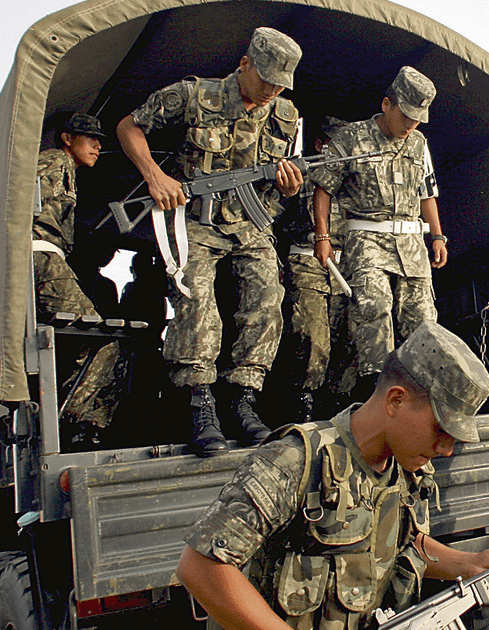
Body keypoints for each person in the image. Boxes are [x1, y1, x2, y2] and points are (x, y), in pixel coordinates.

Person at [176, 321, 489, 630]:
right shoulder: (299, 459)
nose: (446, 450)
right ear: (395, 400)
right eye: (440, 430)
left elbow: (403, 544)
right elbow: (200, 566)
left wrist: (470, 563)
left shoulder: (406, 470)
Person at [116, 27, 305, 455]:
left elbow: (280, 185)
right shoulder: (194, 95)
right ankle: (200, 404)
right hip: (197, 220)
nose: (272, 89)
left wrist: (288, 188)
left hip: (248, 221)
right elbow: (129, 126)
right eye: (266, 78)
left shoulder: (286, 116)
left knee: (267, 298)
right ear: (244, 64)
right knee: (195, 298)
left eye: (280, 83)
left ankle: (243, 400)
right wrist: (154, 175)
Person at [308, 66, 447, 401]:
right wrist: (322, 237)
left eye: (418, 119)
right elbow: (323, 189)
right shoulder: (350, 138)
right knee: (375, 309)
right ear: (387, 104)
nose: (411, 124)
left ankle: (420, 394)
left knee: (423, 319)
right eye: (406, 115)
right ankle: (378, 391)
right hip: (367, 238)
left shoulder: (418, 144)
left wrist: (438, 237)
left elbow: (427, 193)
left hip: (411, 243)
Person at [32, 112, 127, 450]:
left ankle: (79, 422)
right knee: (104, 340)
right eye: (89, 139)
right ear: (67, 139)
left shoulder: (64, 168)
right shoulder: (55, 162)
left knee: (91, 340)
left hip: (45, 256)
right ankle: (77, 422)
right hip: (42, 257)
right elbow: (23, 215)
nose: (98, 146)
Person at [272, 118, 352, 420]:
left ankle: (336, 405)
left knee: (348, 336)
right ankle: (301, 405)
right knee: (311, 339)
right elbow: (272, 219)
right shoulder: (298, 173)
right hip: (306, 259)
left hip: (348, 264)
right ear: (320, 144)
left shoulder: (355, 177)